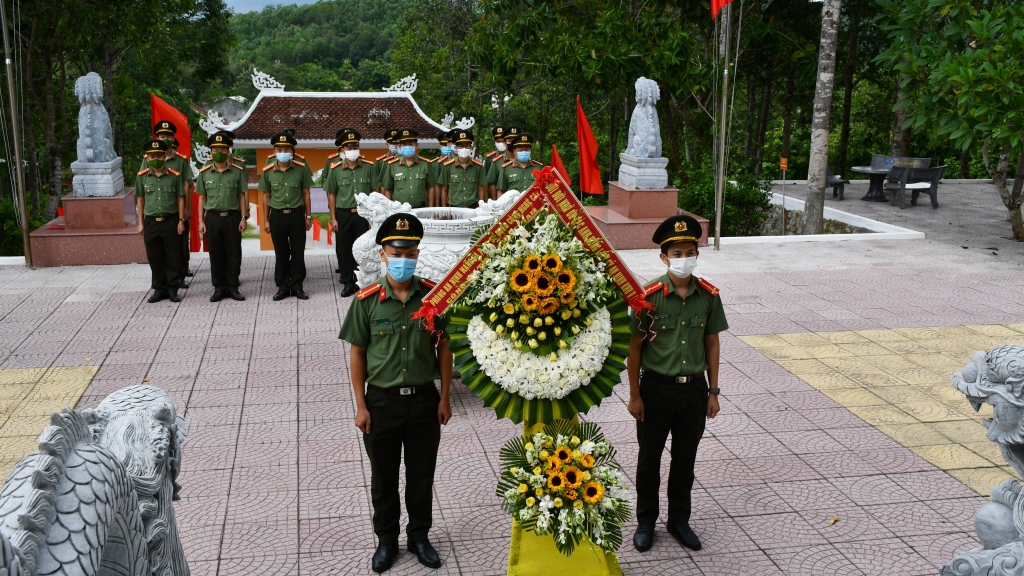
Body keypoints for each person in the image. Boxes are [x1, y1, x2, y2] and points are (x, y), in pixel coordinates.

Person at [340, 213, 452, 573]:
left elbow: (444, 348)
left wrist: (445, 397)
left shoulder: (433, 299)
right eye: (396, 250)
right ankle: (386, 540)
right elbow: (357, 353)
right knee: (384, 477)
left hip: (423, 400)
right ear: (384, 253)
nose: (403, 256)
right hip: (382, 402)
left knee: (422, 475)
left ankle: (419, 536)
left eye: (410, 250)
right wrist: (361, 406)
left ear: (417, 253)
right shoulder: (366, 301)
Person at [627, 214, 727, 553]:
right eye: (677, 253)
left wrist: (713, 391)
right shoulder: (648, 297)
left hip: (694, 390)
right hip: (655, 389)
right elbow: (635, 347)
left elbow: (712, 342)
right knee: (649, 458)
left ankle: (679, 520)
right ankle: (646, 521)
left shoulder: (708, 296)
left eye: (690, 252)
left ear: (697, 254)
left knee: (686, 459)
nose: (685, 259)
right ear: (664, 257)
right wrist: (634, 395)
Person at [257, 131, 313, 301]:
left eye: (286, 149)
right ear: (274, 151)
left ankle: (297, 286)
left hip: (296, 215)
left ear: (292, 150)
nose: (283, 152)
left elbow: (306, 193)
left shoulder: (300, 169)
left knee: (297, 252)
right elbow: (265, 196)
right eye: (279, 149)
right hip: (277, 216)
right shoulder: (268, 170)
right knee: (281, 253)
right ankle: (282, 286)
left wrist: (308, 216)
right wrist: (266, 220)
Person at [196, 132, 248, 302]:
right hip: (212, 218)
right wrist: (200, 221)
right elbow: (201, 198)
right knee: (216, 254)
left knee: (233, 254)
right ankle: (219, 288)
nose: (219, 151)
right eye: (215, 149)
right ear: (211, 152)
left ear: (228, 152)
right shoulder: (204, 172)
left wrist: (243, 218)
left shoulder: (237, 171)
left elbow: (241, 195)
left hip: (232, 217)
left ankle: (233, 287)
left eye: (222, 149)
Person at [135, 139, 186, 303]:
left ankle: (172, 289)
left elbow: (180, 198)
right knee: (154, 256)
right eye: (151, 156)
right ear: (147, 158)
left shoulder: (174, 176)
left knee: (172, 256)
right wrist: (140, 222)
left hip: (170, 220)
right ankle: (159, 289)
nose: (155, 158)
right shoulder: (142, 177)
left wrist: (180, 220)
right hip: (150, 222)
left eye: (158, 155)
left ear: (164, 156)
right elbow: (140, 200)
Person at [325, 128, 373, 297]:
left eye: (355, 146)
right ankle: (347, 282)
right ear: (343, 149)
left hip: (363, 215)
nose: (353, 150)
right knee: (344, 250)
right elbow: (332, 194)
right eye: (349, 147)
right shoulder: (335, 169)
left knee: (364, 250)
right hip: (343, 214)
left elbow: (375, 192)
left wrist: (372, 217)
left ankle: (364, 281)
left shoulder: (368, 168)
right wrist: (333, 218)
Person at [153, 120, 195, 288]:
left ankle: (180, 274)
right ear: (157, 137)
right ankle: (162, 279)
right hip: (158, 209)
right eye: (162, 136)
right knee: (160, 248)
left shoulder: (180, 160)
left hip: (177, 209)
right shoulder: (150, 158)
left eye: (168, 136)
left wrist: (187, 207)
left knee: (179, 244)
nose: (165, 139)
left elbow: (187, 185)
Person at [380, 128, 437, 208]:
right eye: (404, 144)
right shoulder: (392, 165)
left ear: (416, 145)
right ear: (399, 146)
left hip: (420, 208)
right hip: (399, 210)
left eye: (410, 144)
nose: (408, 147)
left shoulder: (425, 164)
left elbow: (430, 188)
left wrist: (430, 208)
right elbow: (388, 189)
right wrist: (389, 209)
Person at [437, 130, 485, 209]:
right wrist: (444, 209)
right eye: (460, 146)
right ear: (456, 147)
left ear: (471, 147)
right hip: (453, 208)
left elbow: (480, 189)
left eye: (466, 146)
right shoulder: (448, 166)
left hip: (473, 207)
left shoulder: (478, 166)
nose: (464, 148)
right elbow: (444, 190)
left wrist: (482, 207)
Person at [485, 125, 519, 199]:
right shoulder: (497, 161)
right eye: (509, 141)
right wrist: (494, 203)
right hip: (502, 201)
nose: (512, 143)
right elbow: (492, 183)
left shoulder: (524, 160)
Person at [373, 128, 400, 193]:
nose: (394, 145)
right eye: (391, 143)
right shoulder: (381, 161)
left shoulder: (406, 159)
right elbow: (376, 182)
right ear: (387, 144)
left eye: (396, 143)